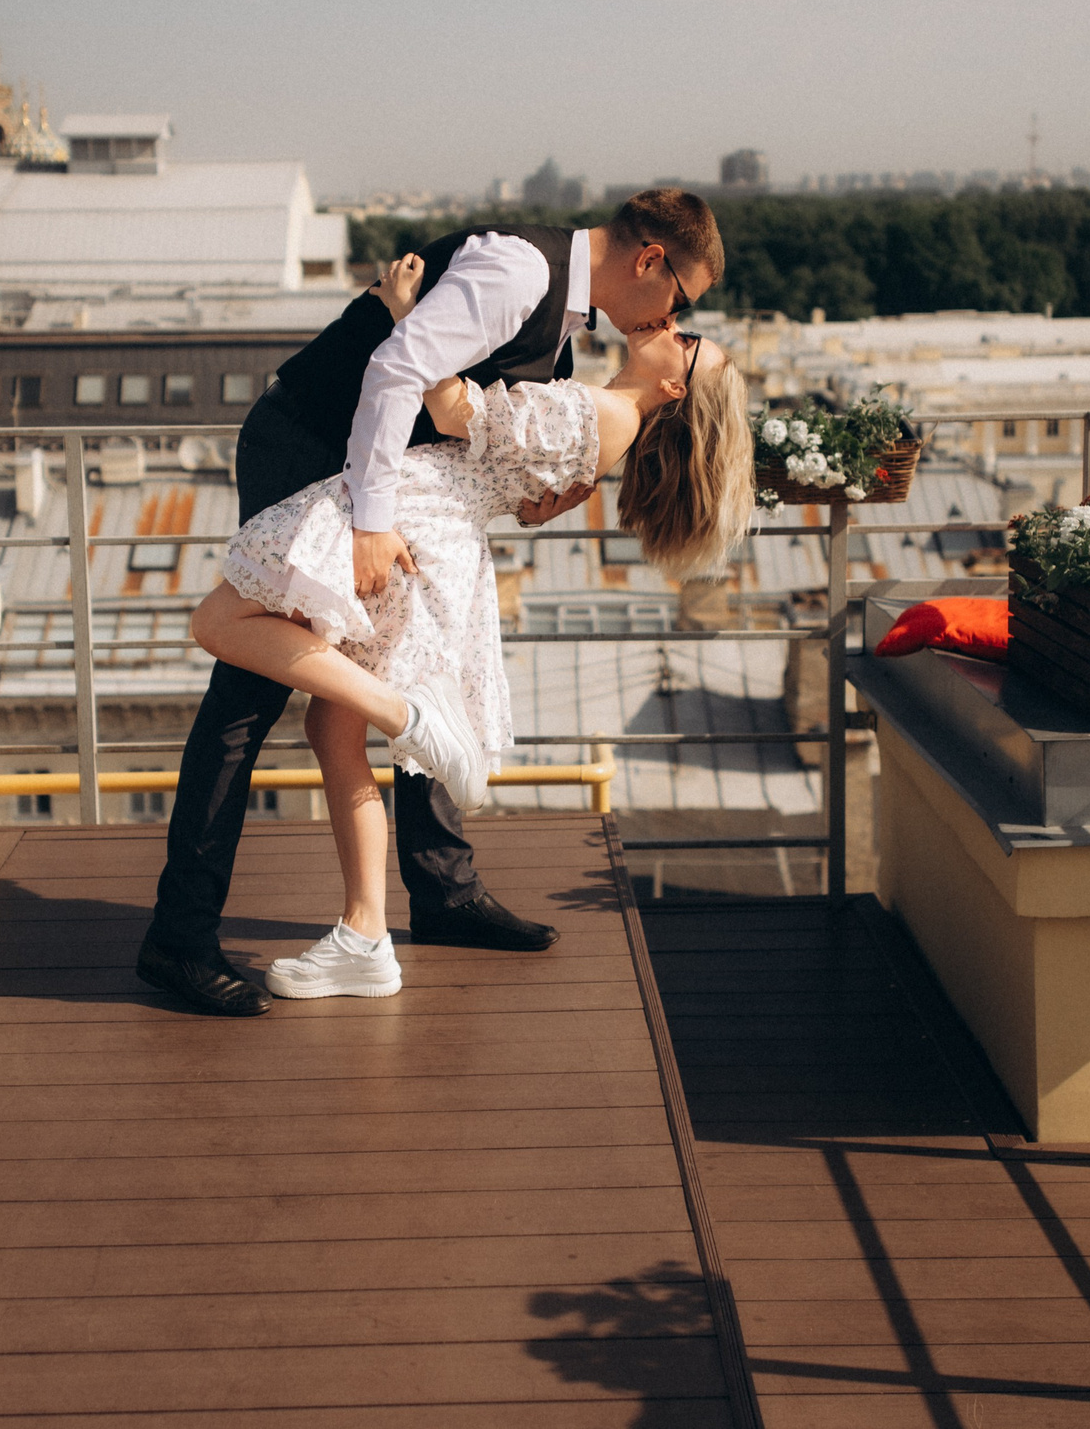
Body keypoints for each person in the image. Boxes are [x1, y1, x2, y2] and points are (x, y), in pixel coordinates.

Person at [135, 189, 725, 1016]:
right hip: (313, 446)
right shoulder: (523, 271)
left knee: (400, 665)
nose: (673, 317)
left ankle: (436, 894)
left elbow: (484, 426)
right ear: (650, 261)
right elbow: (397, 369)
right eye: (682, 300)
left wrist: (532, 490)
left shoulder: (564, 321)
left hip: (390, 484)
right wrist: (372, 524)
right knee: (250, 689)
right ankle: (180, 934)